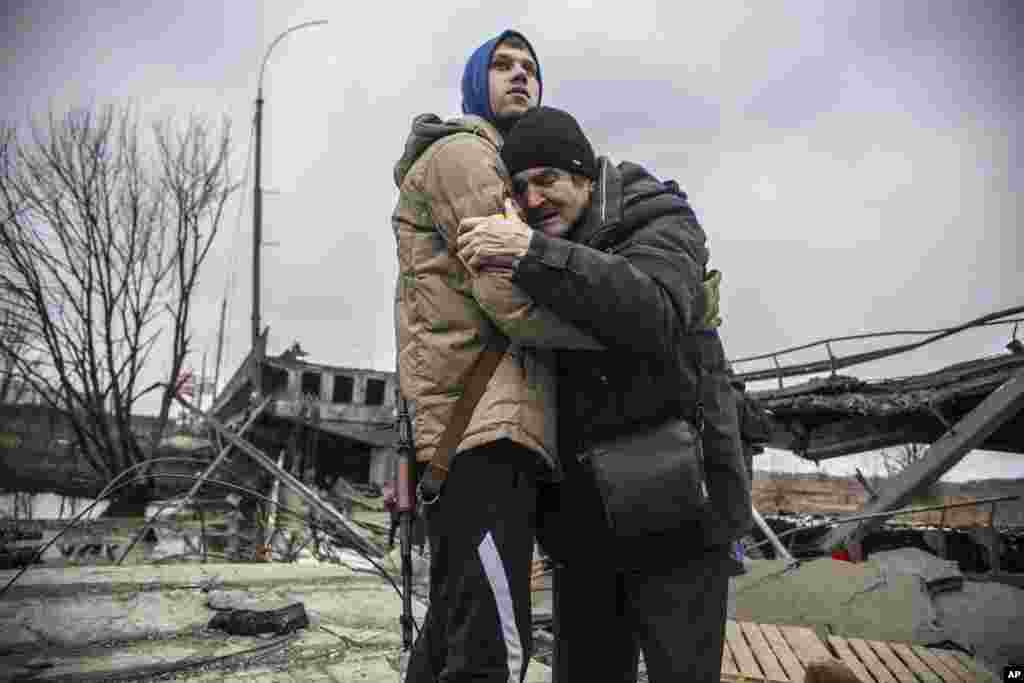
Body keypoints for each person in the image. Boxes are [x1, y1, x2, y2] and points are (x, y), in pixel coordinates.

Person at [456, 106, 752, 682]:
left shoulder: (659, 218)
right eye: (520, 187)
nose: (534, 198)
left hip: (679, 509)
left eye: (548, 180)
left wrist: (531, 253)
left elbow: (656, 313)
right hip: (583, 523)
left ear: (587, 179)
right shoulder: (531, 250)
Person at [391, 33, 600, 683]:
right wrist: (606, 331)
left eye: (531, 69)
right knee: (494, 649)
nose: (521, 76)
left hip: (473, 427)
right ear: (474, 80)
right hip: (483, 428)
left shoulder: (497, 168)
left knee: (452, 636)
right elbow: (505, 290)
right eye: (504, 66)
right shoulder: (465, 154)